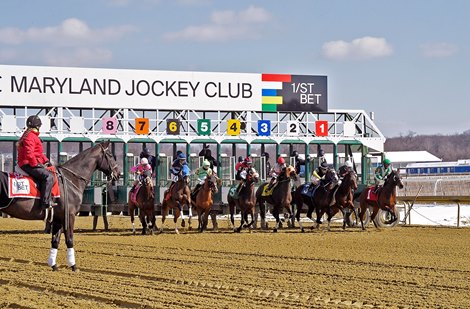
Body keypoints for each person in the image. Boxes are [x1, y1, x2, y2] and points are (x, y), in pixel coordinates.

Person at [17, 115, 53, 209]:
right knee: (48, 176)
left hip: (28, 163)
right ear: (37, 126)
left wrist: (47, 161)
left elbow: (38, 153)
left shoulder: (30, 135)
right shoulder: (30, 136)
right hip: (28, 164)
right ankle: (45, 202)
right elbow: (29, 154)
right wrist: (35, 164)